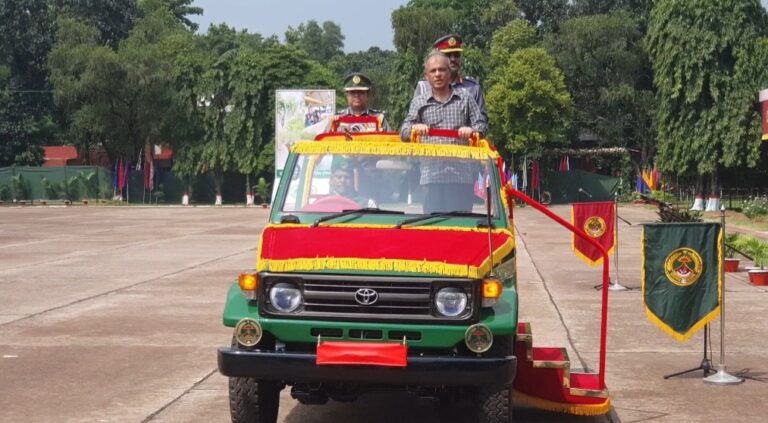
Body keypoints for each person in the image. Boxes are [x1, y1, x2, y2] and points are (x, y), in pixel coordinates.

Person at [400, 51, 487, 214]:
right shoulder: (419, 102)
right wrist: (414, 128)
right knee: (434, 231)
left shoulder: (465, 98)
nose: (437, 74)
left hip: (461, 178)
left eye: (442, 70)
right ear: (427, 76)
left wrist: (472, 130)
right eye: (433, 71)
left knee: (461, 230)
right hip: (431, 178)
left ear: (449, 73)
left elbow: (482, 125)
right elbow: (403, 132)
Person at [413, 34, 487, 121]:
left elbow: (482, 122)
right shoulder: (423, 88)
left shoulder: (473, 88)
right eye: (448, 55)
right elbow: (412, 122)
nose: (453, 59)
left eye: (456, 55)